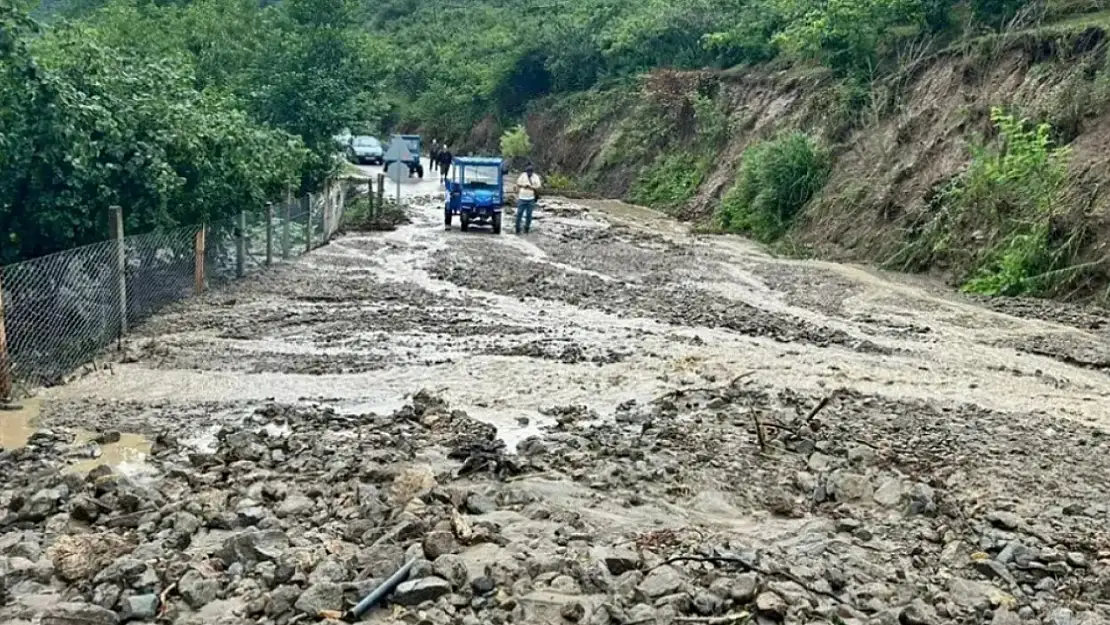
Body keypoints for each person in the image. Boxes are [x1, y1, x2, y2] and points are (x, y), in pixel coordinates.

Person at [514, 164, 542, 235]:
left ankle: (526, 229)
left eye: (530, 172)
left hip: (531, 198)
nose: (529, 173)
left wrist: (531, 187)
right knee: (519, 213)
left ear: (532, 172)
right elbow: (518, 183)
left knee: (529, 215)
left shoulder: (536, 177)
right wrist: (524, 185)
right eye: (527, 172)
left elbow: (538, 186)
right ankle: (517, 229)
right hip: (522, 198)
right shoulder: (523, 175)